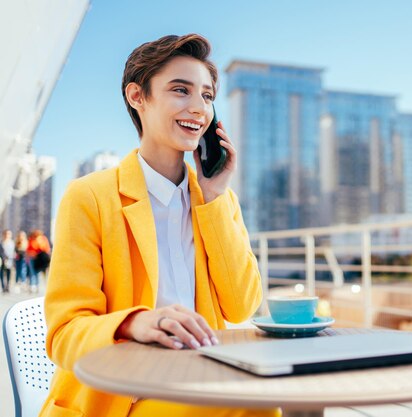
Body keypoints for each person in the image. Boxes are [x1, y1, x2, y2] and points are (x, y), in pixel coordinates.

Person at [42, 34, 277, 417]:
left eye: (206, 95)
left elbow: (241, 307)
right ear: (138, 97)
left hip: (202, 375)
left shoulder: (217, 199)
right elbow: (64, 335)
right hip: (122, 394)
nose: (198, 108)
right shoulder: (90, 197)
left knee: (259, 402)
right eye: (180, 90)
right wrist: (136, 323)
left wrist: (215, 198)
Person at [26, 229, 51, 293]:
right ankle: (32, 285)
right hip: (33, 258)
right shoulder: (31, 239)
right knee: (33, 272)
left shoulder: (43, 239)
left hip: (41, 259)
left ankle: (38, 286)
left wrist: (39, 242)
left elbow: (46, 249)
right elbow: (28, 250)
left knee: (42, 273)